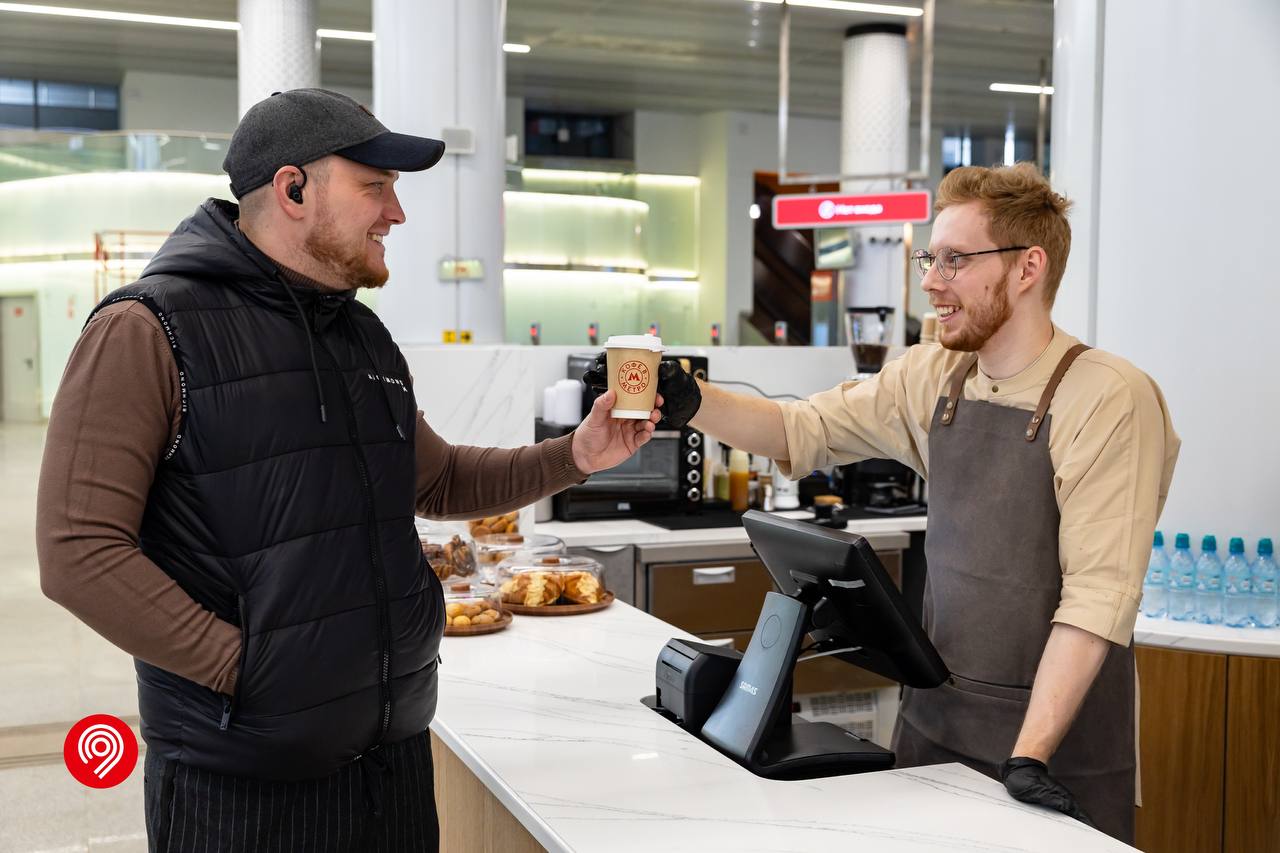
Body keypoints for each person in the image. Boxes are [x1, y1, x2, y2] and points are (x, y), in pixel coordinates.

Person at [36, 88, 661, 852]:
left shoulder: (361, 337)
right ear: (294, 188)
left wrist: (575, 456)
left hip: (390, 767)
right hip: (243, 788)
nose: (396, 213)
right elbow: (78, 551)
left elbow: (437, 480)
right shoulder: (147, 329)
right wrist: (250, 668)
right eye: (376, 185)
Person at [603, 163, 1179, 843]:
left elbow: (1097, 596)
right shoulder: (937, 375)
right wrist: (694, 399)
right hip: (935, 725)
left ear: (1029, 268)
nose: (931, 280)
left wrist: (1029, 753)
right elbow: (803, 429)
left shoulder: (1110, 396)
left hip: (1054, 755)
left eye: (956, 260)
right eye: (929, 257)